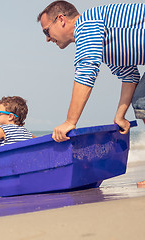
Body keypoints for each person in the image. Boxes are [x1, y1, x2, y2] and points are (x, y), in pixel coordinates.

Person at [37, 1, 145, 186]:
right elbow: (130, 75)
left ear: (61, 19)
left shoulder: (87, 24)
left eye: (47, 31)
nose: (47, 39)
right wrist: (120, 116)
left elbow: (86, 70)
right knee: (142, 103)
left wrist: (70, 122)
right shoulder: (105, 44)